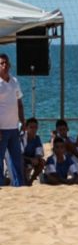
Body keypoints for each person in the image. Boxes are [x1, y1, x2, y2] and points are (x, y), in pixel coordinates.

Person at [0, 53, 25, 187]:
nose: (4, 66)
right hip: (2, 129)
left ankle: (19, 185)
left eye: (6, 63)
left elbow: (19, 103)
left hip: (14, 128)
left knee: (16, 159)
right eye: (2, 63)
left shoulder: (14, 81)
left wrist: (23, 121)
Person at [21, 117, 45, 184]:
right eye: (31, 127)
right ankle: (24, 181)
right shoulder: (21, 138)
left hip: (32, 159)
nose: (34, 129)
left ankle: (31, 181)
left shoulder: (37, 138)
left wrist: (36, 158)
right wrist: (31, 159)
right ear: (26, 128)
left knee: (42, 162)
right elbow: (18, 155)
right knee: (21, 161)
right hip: (23, 159)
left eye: (35, 127)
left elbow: (39, 152)